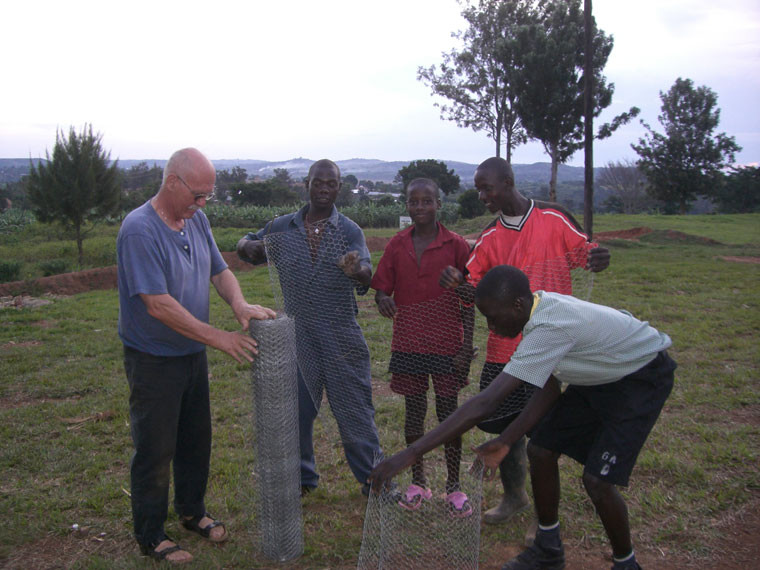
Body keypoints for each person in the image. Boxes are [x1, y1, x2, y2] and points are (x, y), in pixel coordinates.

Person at [370, 264, 676, 570]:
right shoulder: (536, 309)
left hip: (640, 375)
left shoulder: (549, 327)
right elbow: (551, 387)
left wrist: (409, 454)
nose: (490, 326)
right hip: (600, 372)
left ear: (517, 304)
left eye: (492, 316)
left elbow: (485, 403)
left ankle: (627, 563)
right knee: (540, 450)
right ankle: (548, 548)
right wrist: (506, 440)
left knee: (596, 480)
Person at [117, 148, 276, 564]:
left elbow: (220, 271)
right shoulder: (139, 230)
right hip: (153, 359)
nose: (203, 204)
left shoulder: (196, 219)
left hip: (190, 356)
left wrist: (239, 305)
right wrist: (218, 338)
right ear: (173, 183)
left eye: (208, 196)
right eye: (198, 195)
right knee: (155, 448)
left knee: (195, 440)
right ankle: (151, 534)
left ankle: (192, 512)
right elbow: (157, 303)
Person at [439, 156, 611, 525]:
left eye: (487, 188)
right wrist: (456, 282)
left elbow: (587, 255)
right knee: (504, 425)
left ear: (508, 181)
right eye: (479, 190)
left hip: (550, 348)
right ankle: (514, 496)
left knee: (543, 437)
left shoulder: (554, 219)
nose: (483, 196)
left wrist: (599, 258)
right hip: (504, 349)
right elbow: (472, 290)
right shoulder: (488, 238)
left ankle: (544, 517)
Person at [236, 158, 383, 497]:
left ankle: (374, 480)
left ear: (339, 189)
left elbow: (367, 277)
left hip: (340, 332)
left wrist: (355, 270)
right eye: (318, 182)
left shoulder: (348, 231)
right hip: (297, 333)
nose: (324, 189)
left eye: (331, 184)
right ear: (307, 184)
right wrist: (249, 247)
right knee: (297, 411)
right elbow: (247, 245)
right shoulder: (282, 227)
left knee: (354, 409)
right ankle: (302, 479)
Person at [371, 178, 474, 515]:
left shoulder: (456, 245)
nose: (419, 208)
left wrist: (466, 348)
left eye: (426, 201)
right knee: (414, 417)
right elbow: (381, 287)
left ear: (438, 204)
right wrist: (383, 297)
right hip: (409, 342)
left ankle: (454, 487)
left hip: (447, 344)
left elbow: (471, 299)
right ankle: (418, 481)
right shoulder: (397, 245)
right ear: (406, 205)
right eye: (413, 202)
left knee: (449, 416)